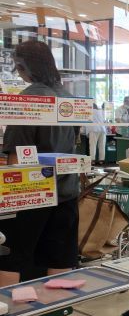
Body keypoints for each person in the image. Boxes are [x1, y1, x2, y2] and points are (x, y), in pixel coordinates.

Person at [0, 41, 80, 289]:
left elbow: (17, 157)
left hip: (32, 192)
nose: (18, 73)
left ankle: (8, 307)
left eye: (18, 67)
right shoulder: (67, 97)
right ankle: (58, 306)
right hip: (67, 191)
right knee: (60, 255)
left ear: (25, 66)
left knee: (11, 256)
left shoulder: (28, 99)